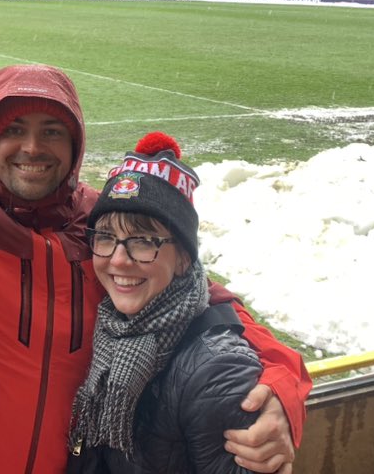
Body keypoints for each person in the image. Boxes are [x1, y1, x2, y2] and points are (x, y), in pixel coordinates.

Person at [0, 64, 311, 474]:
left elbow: (205, 301)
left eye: (52, 130)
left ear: (75, 144)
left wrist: (282, 386)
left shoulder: (107, 225)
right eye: (14, 129)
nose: (32, 147)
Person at [68, 132, 264, 472]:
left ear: (184, 259)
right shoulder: (113, 329)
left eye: (143, 241)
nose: (118, 260)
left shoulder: (217, 369)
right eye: (106, 238)